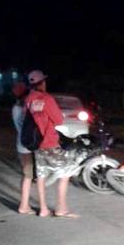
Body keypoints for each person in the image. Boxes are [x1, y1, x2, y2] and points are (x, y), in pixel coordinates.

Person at [24, 69, 79, 219]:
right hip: (49, 141)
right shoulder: (46, 98)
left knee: (41, 174)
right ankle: (61, 209)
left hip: (37, 143)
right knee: (67, 170)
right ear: (42, 83)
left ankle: (43, 209)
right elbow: (59, 120)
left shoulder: (29, 99)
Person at [11, 82, 35, 214]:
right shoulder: (22, 109)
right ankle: (24, 206)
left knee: (28, 175)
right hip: (26, 146)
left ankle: (25, 204)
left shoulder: (16, 108)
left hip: (22, 144)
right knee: (27, 175)